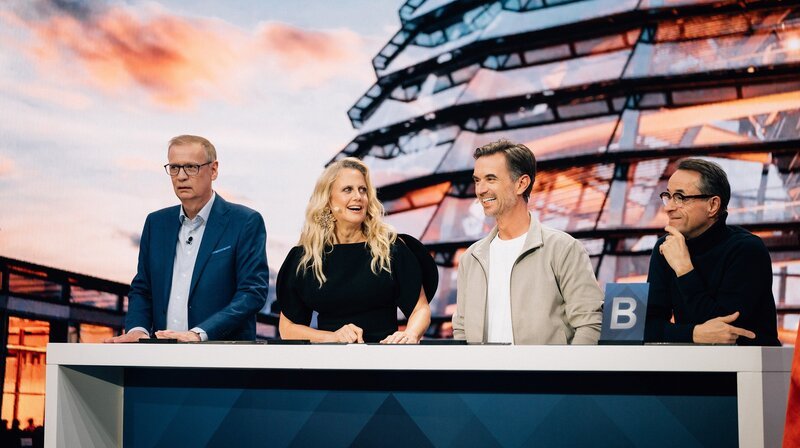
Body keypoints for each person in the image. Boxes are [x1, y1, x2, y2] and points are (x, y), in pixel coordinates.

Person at [106, 135, 268, 342]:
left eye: (191, 167)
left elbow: (251, 293)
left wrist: (199, 334)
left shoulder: (245, 222)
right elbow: (142, 288)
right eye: (174, 168)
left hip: (221, 355)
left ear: (214, 170)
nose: (181, 176)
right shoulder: (156, 224)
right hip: (160, 354)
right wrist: (137, 330)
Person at [452, 139, 603, 344]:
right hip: (483, 367)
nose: (480, 190)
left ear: (521, 184)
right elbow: (461, 329)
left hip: (547, 367)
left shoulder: (563, 249)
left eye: (491, 179)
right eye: (477, 180)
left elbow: (590, 324)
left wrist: (568, 366)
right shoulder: (471, 258)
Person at [276, 157, 434, 343]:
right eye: (347, 190)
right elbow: (287, 328)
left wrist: (410, 334)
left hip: (384, 355)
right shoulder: (306, 257)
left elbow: (420, 309)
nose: (358, 196)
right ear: (328, 200)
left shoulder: (390, 248)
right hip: (329, 358)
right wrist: (332, 337)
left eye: (363, 190)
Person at [644, 158, 779, 345]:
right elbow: (647, 327)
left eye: (680, 197)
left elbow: (724, 332)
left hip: (749, 361)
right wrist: (693, 334)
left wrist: (684, 269)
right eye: (668, 196)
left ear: (713, 205)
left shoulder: (747, 250)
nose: (668, 207)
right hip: (692, 361)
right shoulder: (666, 247)